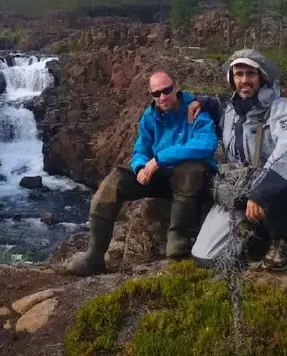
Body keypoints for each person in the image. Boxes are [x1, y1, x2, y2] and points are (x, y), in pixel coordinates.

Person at [65, 70, 219, 276]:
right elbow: (140, 149)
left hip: (194, 182)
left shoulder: (196, 109)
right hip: (163, 177)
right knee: (115, 180)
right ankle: (94, 256)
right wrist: (139, 168)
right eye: (156, 93)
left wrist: (159, 159)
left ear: (176, 87)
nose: (162, 97)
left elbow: (206, 144)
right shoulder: (150, 116)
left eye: (167, 90)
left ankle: (178, 242)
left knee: (190, 169)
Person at [188, 49, 287, 271]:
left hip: (275, 192)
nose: (244, 80)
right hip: (240, 188)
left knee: (282, 181)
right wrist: (201, 101)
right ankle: (253, 229)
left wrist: (261, 192)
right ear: (232, 79)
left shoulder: (280, 108)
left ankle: (279, 240)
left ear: (261, 76)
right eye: (238, 74)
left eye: (250, 74)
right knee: (205, 257)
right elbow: (218, 104)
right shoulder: (230, 110)